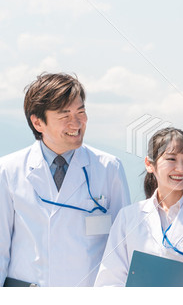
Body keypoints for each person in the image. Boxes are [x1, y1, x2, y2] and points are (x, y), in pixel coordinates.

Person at [0, 73, 130, 287]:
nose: (77, 122)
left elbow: (122, 247)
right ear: (38, 122)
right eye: (65, 115)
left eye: (81, 112)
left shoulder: (109, 168)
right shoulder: (8, 171)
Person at [94, 127, 183, 286]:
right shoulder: (128, 217)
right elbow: (109, 280)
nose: (181, 169)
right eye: (171, 159)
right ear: (149, 164)